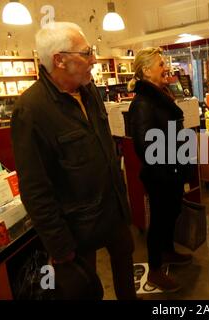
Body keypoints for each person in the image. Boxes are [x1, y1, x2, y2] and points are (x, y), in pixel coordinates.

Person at [11, 22, 137, 300]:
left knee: (127, 280)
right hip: (77, 229)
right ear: (60, 60)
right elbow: (34, 188)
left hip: (113, 210)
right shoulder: (30, 110)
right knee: (86, 291)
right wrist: (59, 245)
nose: (93, 59)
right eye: (86, 53)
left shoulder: (90, 91)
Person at [127, 47, 192, 293]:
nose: (166, 67)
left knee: (170, 214)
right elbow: (144, 145)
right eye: (160, 64)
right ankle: (155, 270)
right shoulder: (143, 103)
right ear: (146, 70)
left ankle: (168, 252)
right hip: (161, 173)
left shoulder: (159, 94)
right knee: (159, 220)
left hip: (172, 169)